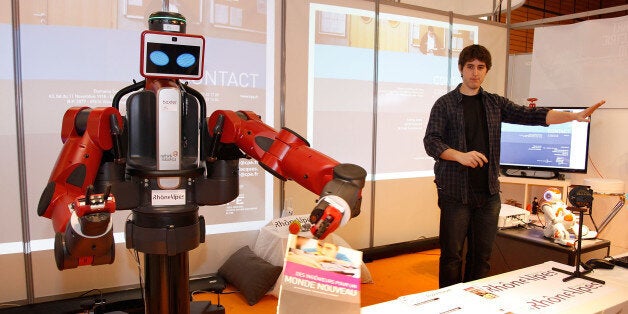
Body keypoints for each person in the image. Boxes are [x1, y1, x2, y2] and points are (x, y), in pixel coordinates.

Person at [422, 44, 605, 288]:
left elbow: (532, 116)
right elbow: (431, 141)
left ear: (486, 71)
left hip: (488, 195)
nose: (475, 73)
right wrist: (460, 156)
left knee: (482, 258)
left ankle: (472, 304)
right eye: (470, 67)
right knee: (452, 257)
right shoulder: (444, 104)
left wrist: (573, 116)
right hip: (455, 194)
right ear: (460, 69)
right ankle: (446, 305)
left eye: (480, 67)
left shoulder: (494, 103)